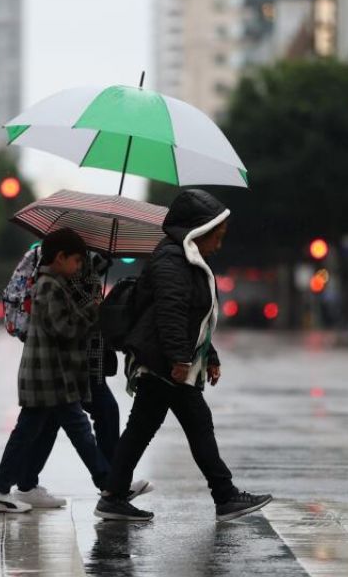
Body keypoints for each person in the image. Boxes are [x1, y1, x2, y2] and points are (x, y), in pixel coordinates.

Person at [95, 189, 272, 523]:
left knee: (145, 430)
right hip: (164, 363)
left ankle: (114, 496)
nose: (218, 245)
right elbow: (172, 314)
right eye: (216, 237)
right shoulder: (172, 260)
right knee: (194, 425)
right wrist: (180, 359)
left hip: (166, 361)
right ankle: (225, 496)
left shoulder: (185, 259)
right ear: (197, 231)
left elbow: (196, 319)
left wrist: (211, 356)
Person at [0, 229, 113, 512]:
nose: (79, 267)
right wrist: (92, 311)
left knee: (29, 433)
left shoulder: (53, 284)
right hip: (49, 377)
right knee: (78, 432)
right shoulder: (48, 287)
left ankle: (1, 487)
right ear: (60, 257)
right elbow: (65, 329)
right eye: (76, 261)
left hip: (50, 377)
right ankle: (109, 485)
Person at [17, 251, 150, 507]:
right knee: (96, 415)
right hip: (76, 362)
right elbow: (71, 318)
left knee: (52, 420)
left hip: (85, 360)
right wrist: (97, 308)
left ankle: (25, 484)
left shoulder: (88, 267)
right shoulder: (73, 268)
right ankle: (112, 484)